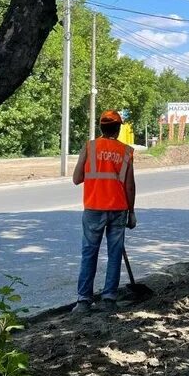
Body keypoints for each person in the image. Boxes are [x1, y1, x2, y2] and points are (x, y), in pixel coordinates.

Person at [71, 110, 137, 314]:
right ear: (118, 129)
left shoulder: (90, 147)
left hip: (93, 208)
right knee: (114, 254)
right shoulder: (126, 151)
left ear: (101, 127)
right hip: (118, 209)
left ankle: (83, 301)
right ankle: (109, 299)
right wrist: (131, 212)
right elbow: (130, 186)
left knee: (89, 253)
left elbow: (76, 178)